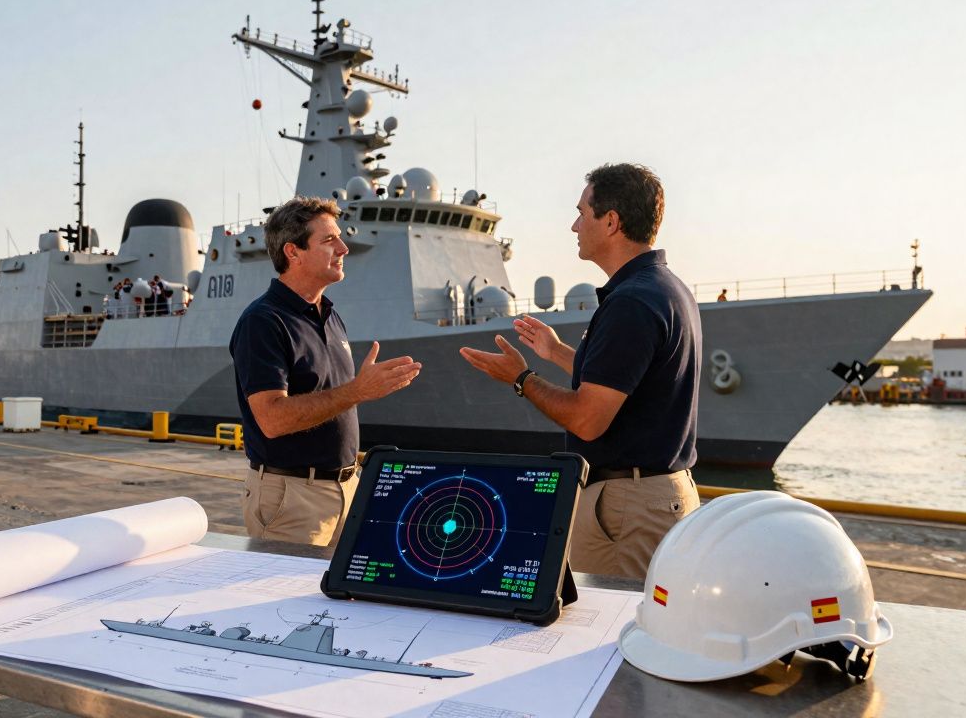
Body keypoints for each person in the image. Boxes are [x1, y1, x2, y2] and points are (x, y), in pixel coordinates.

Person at [459, 163, 701, 578]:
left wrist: (521, 378)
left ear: (611, 222)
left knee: (610, 629)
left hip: (630, 506)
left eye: (582, 213)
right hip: (659, 495)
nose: (574, 225)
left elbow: (588, 420)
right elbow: (623, 382)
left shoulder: (631, 303)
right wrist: (555, 352)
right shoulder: (665, 288)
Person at [230, 196, 422, 546]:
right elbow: (272, 420)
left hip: (347, 490)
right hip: (293, 499)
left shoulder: (330, 316)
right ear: (293, 252)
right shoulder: (263, 321)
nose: (344, 248)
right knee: (282, 601)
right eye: (329, 240)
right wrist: (358, 391)